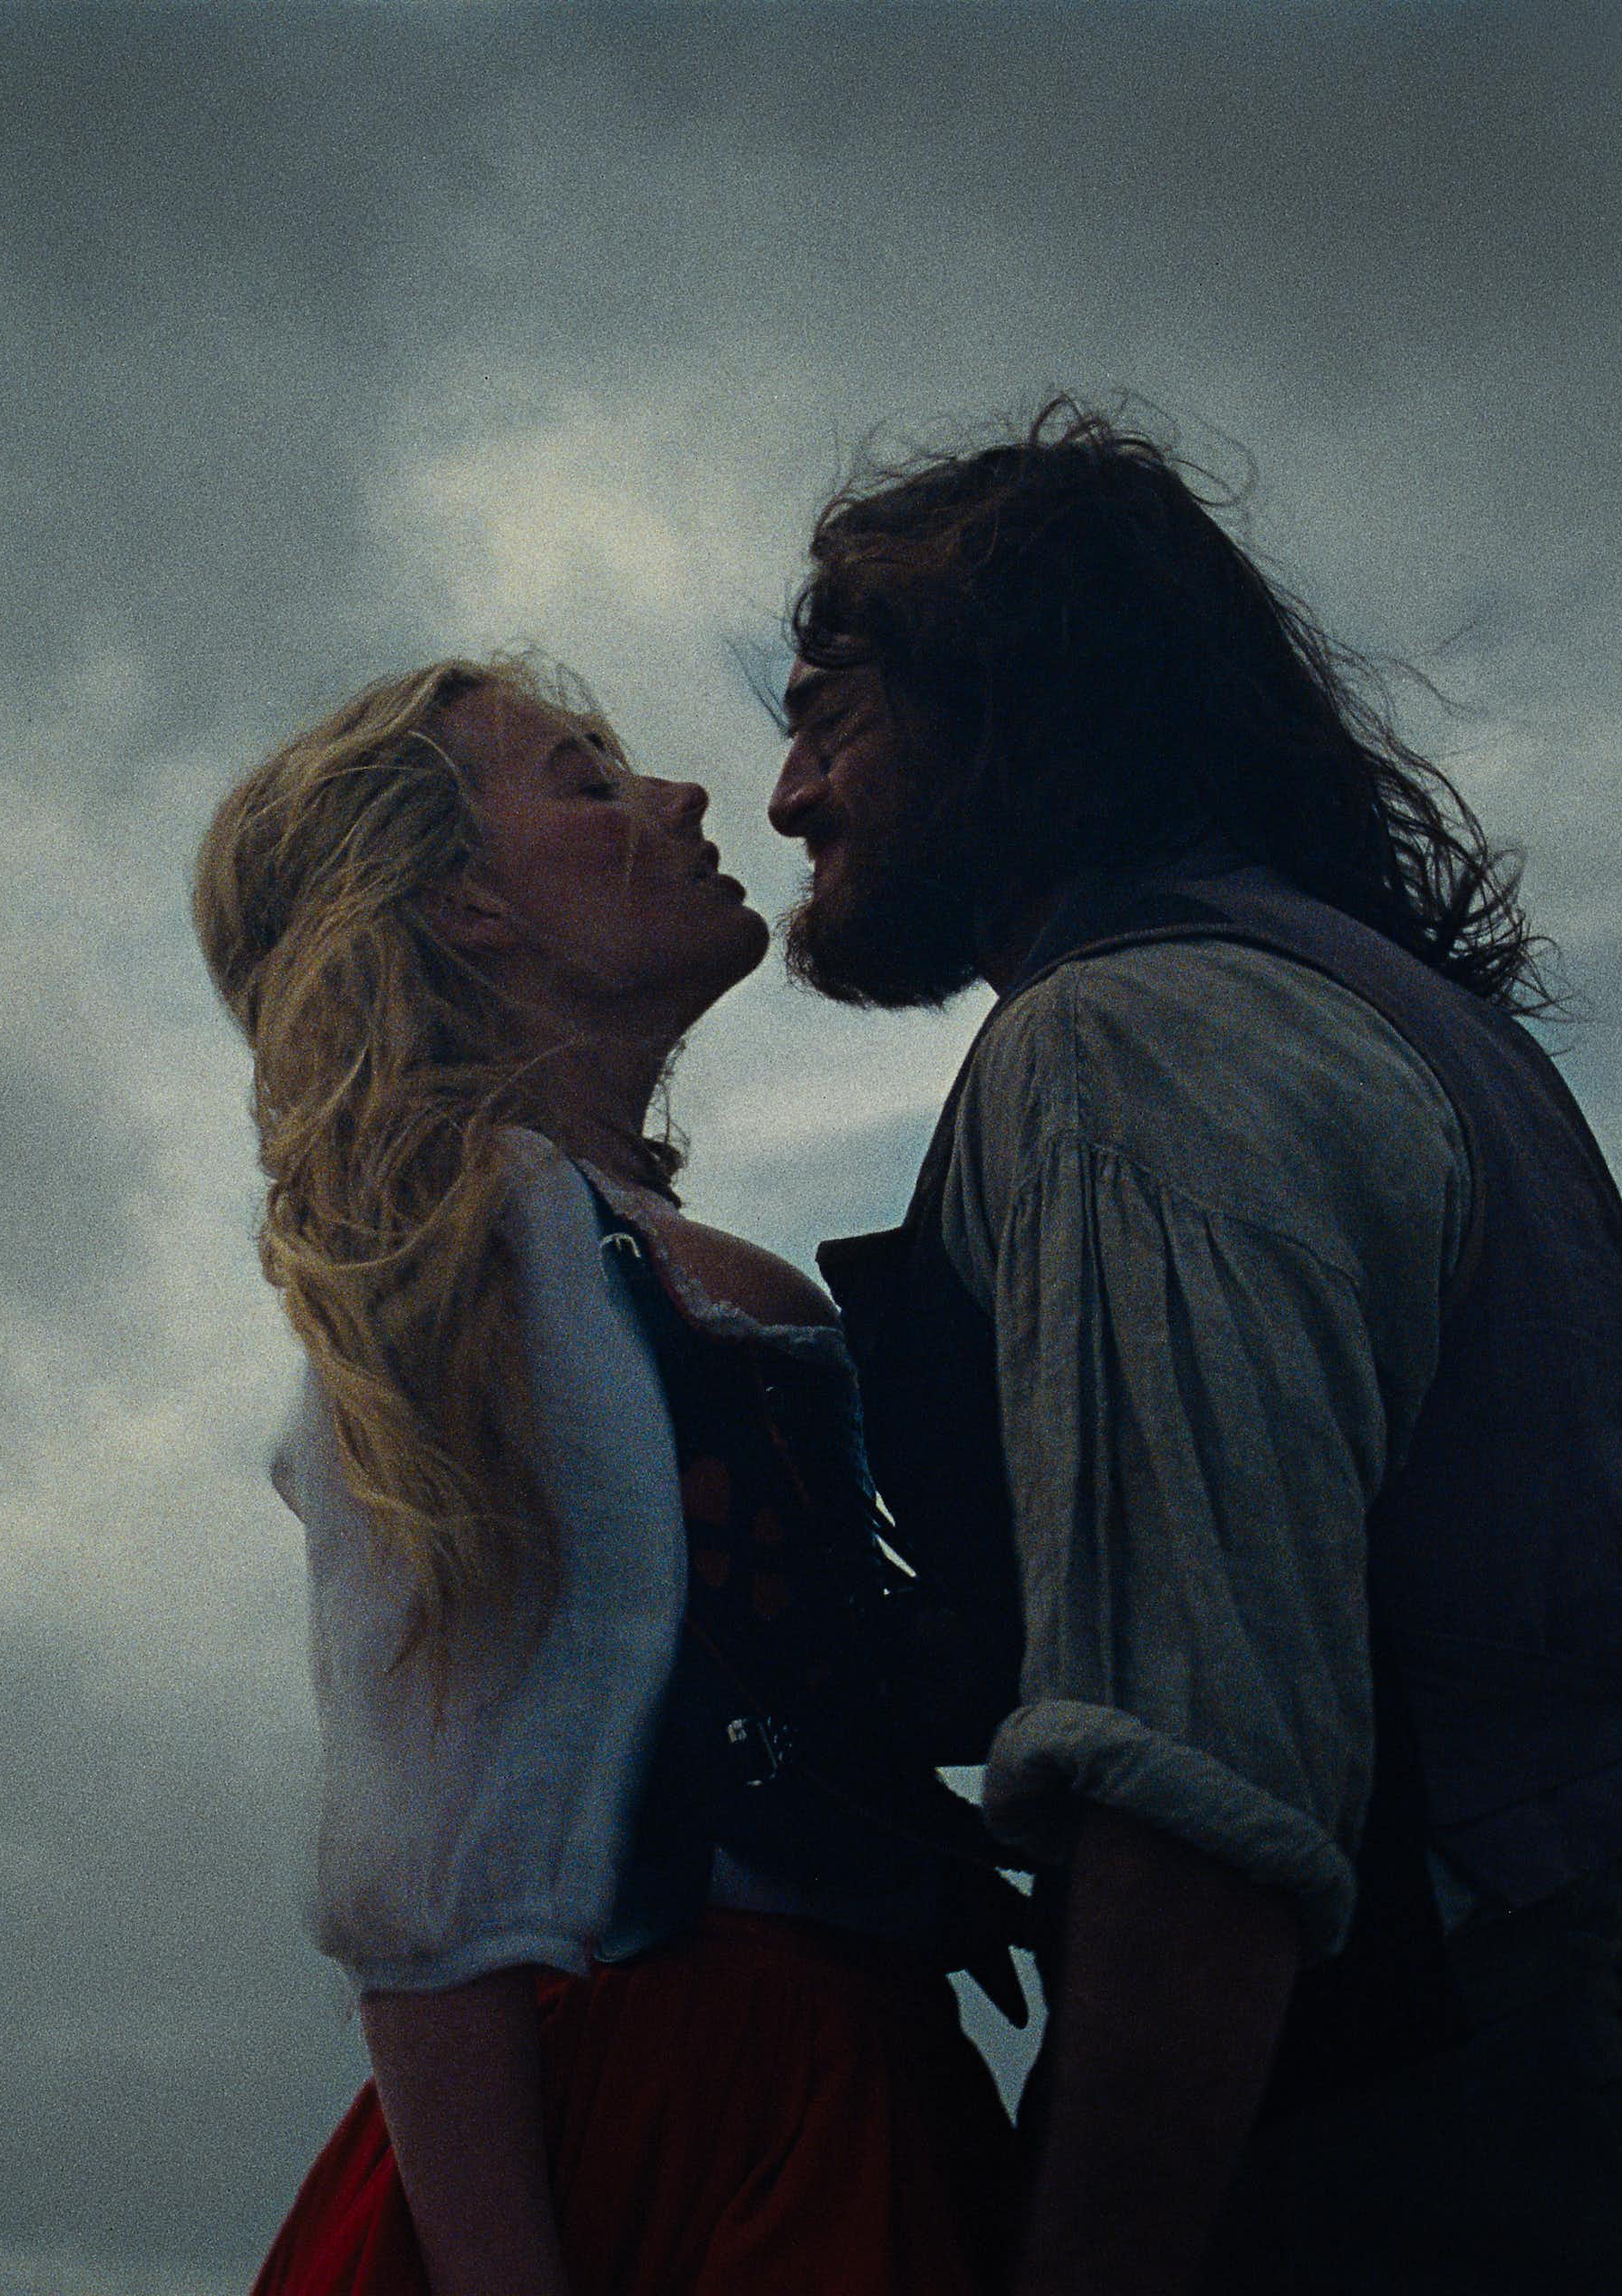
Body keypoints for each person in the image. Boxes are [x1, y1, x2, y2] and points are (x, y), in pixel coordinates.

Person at [766, 400, 1622, 2296]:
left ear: (1008, 703)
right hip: (1521, 2138)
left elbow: (1200, 1795)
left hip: (1341, 2178)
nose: (788, 797)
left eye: (826, 707)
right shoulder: (1404, 1022)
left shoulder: (1130, 1047)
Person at [193, 657, 1017, 2296]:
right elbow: (427, 1865)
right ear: (468, 914)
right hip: (674, 2111)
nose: (687, 799)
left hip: (836, 2069)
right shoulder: (487, 1248)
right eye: (588, 781)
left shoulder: (635, 1260)